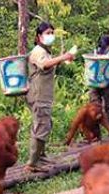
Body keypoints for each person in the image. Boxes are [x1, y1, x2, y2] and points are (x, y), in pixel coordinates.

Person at [26, 22, 75, 172]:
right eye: (48, 33)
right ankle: (32, 163)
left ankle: (40, 156)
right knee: (41, 126)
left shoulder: (45, 51)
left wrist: (62, 59)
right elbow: (45, 65)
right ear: (39, 37)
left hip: (43, 95)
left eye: (52, 33)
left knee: (45, 125)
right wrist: (63, 56)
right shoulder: (38, 51)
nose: (51, 36)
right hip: (38, 95)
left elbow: (49, 65)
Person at [89, 35, 109, 131]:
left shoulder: (94, 53)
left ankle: (96, 134)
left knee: (95, 108)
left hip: (93, 84)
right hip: (107, 84)